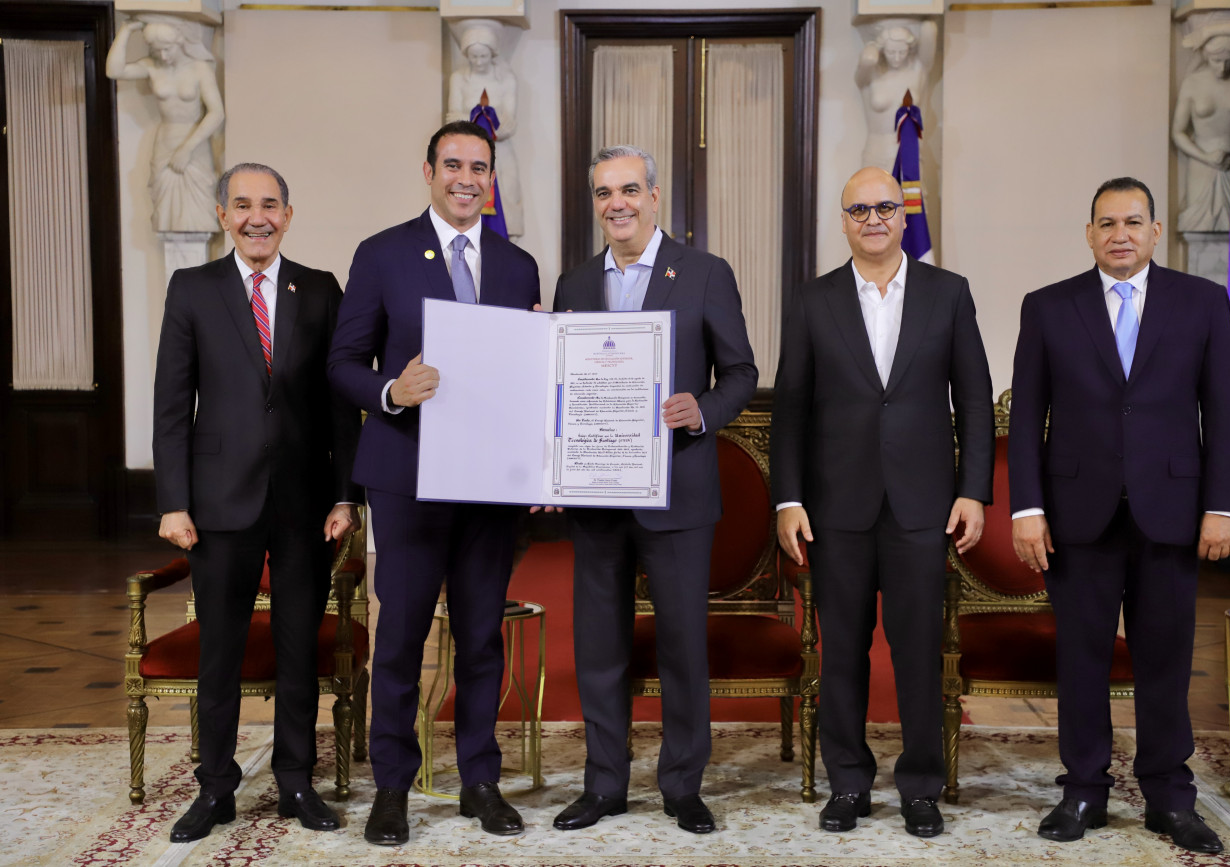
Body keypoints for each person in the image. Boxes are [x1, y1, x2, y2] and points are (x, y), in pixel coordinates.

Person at [1009, 177, 1230, 855]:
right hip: (1076, 515)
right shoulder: (1048, 307)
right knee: (1081, 659)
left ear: (1155, 231)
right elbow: (1026, 418)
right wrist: (1027, 508)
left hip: (1172, 512)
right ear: (1089, 234)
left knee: (1165, 660)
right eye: (1106, 223)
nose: (1120, 234)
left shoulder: (1203, 302)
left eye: (1133, 222)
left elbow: (1224, 411)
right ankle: (1083, 789)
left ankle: (1169, 796)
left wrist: (1221, 506)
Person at [327, 121, 541, 845]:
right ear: (428, 172)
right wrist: (392, 390)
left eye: (478, 168)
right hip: (408, 476)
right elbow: (343, 362)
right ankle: (393, 787)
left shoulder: (518, 265)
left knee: (481, 637)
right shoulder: (382, 253)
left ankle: (480, 780)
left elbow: (521, 372)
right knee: (401, 637)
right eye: (453, 165)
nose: (465, 179)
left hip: (492, 481)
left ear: (491, 179)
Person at [770, 166, 993, 838]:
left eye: (885, 207)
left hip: (923, 506)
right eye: (860, 209)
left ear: (904, 215)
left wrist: (973, 490)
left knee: (918, 650)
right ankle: (848, 781)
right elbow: (791, 409)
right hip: (836, 505)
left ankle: (921, 785)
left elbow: (974, 400)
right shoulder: (813, 300)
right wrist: (788, 499)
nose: (873, 219)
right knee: (842, 649)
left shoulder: (948, 293)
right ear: (843, 221)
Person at [549, 145, 757, 835]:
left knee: (681, 647)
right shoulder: (574, 283)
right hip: (595, 494)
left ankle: (682, 785)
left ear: (655, 196)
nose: (618, 203)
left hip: (678, 492)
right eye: (604, 192)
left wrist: (702, 409)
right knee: (598, 647)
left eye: (630, 189)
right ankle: (604, 784)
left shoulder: (704, 273)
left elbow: (741, 372)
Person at [152, 163, 362, 842]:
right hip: (217, 505)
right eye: (242, 205)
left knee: (300, 650)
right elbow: (170, 403)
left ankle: (296, 780)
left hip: (306, 505)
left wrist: (345, 494)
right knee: (221, 651)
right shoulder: (192, 288)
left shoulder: (320, 289)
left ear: (288, 216)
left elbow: (340, 405)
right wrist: (173, 501)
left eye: (270, 205)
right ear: (223, 216)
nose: (257, 217)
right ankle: (215, 786)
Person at [106, 15, 224, 234]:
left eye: (168, 49)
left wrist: (187, 149)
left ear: (180, 42)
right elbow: (113, 71)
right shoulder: (152, 66)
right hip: (165, 143)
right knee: (166, 216)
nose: (163, 55)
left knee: (198, 214)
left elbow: (216, 113)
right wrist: (126, 30)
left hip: (194, 144)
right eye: (157, 50)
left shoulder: (199, 68)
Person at [445, 19, 523, 240]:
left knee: (508, 191)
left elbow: (508, 122)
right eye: (473, 56)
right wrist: (482, 117)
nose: (478, 62)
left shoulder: (506, 79)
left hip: (500, 148)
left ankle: (508, 243)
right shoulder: (459, 78)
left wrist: (482, 118)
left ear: (493, 53)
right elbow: (452, 117)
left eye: (483, 56)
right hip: (466, 150)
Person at [1171, 23, 1230, 233]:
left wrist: (1209, 31)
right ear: (1207, 56)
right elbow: (1178, 132)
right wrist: (1206, 157)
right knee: (1197, 227)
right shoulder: (1193, 83)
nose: (1223, 67)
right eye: (1217, 60)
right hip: (1201, 163)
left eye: (1229, 61)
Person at [854, 20, 937, 172]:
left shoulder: (918, 70)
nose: (897, 58)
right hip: (876, 152)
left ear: (909, 49)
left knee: (909, 189)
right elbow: (865, 65)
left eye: (902, 52)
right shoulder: (873, 73)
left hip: (908, 152)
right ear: (882, 50)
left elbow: (929, 29)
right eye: (891, 52)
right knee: (871, 188)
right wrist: (870, 51)